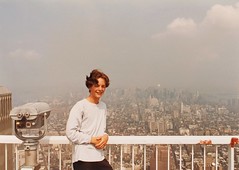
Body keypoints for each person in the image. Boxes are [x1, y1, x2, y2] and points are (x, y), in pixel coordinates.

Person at [66, 69, 113, 170]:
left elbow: (101, 129)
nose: (100, 89)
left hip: (99, 157)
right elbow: (70, 133)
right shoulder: (80, 106)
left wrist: (105, 136)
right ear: (90, 86)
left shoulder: (103, 106)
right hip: (83, 158)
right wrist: (91, 140)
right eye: (97, 85)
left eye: (103, 86)